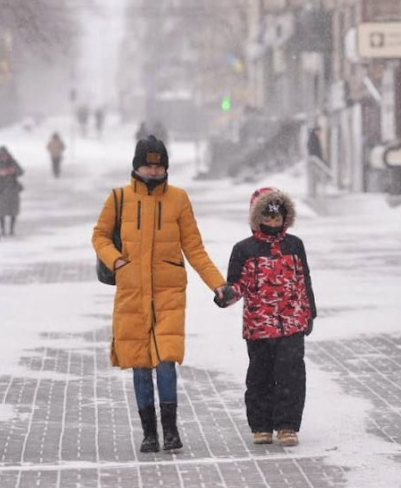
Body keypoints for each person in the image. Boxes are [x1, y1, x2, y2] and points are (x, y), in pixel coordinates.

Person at [92, 135, 229, 453]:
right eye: (147, 165)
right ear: (136, 166)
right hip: (131, 293)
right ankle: (149, 433)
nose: (153, 171)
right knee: (140, 364)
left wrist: (218, 284)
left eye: (159, 166)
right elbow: (100, 236)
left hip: (169, 292)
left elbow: (194, 248)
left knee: (166, 360)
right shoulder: (118, 198)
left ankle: (170, 430)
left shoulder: (179, 199)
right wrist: (117, 261)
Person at [215, 187, 316, 447]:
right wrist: (226, 295)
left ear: (286, 218)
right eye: (267, 218)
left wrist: (309, 313)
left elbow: (304, 280)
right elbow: (238, 285)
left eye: (277, 218)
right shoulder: (244, 249)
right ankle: (261, 426)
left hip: (292, 322)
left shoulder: (294, 245)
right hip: (259, 326)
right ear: (256, 218)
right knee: (260, 376)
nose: (272, 223)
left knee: (291, 375)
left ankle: (287, 426)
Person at [0, 146, 24, 236]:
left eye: (5, 155)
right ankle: (3, 229)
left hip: (13, 191)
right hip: (0, 191)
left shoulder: (13, 162)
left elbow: (21, 171)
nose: (4, 157)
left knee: (13, 211)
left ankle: (12, 229)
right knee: (1, 211)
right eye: (2, 155)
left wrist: (13, 171)